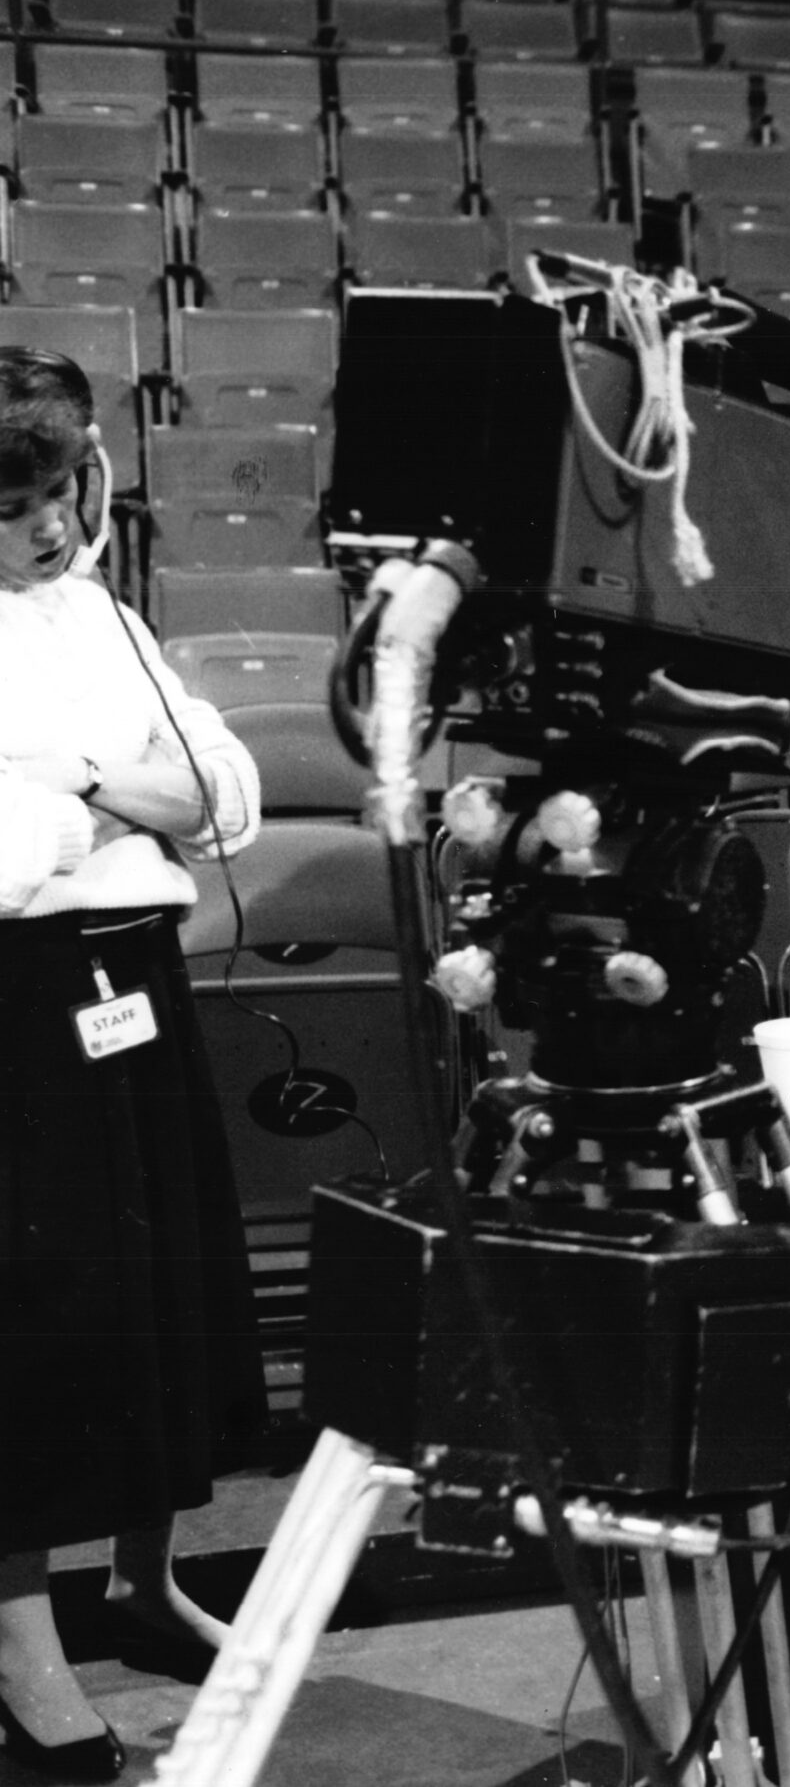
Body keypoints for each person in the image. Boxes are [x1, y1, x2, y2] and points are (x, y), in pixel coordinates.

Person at [0, 349, 268, 1782]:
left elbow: (220, 793)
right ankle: (19, 1640)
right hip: (21, 997)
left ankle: (146, 1582)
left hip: (137, 975)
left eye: (57, 492)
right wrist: (115, 802)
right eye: (16, 504)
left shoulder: (100, 607)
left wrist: (83, 781)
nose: (48, 524)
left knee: (166, 1298)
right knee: (42, 1326)